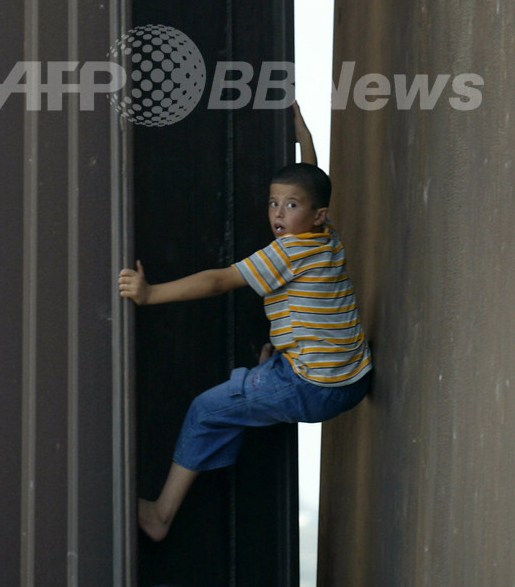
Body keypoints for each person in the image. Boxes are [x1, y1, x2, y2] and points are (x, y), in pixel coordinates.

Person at [118, 101, 373, 541]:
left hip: (314, 388)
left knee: (206, 410)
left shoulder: (289, 252)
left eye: (290, 205)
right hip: (353, 377)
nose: (278, 214)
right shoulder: (326, 236)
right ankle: (263, 382)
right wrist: (304, 137)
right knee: (253, 385)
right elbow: (315, 186)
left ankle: (159, 516)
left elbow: (219, 281)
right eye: (274, 203)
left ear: (315, 216)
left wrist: (149, 294)